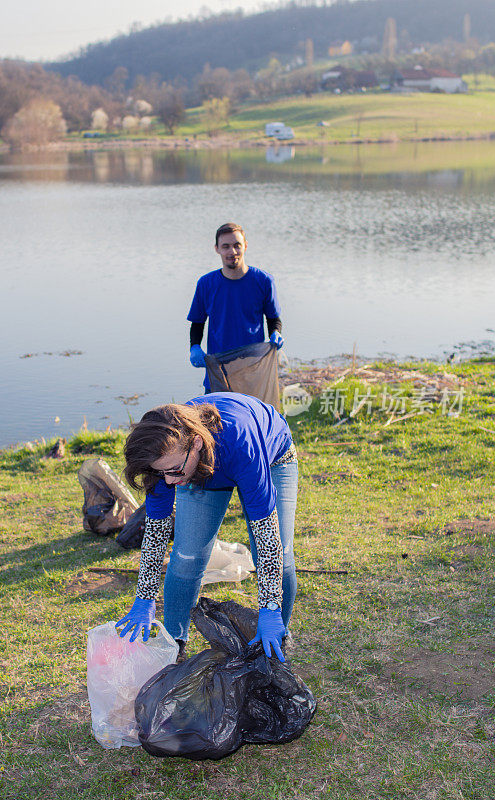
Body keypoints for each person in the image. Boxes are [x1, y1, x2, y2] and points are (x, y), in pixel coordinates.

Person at [116, 392, 297, 662]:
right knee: (187, 555)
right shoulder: (166, 464)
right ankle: (174, 643)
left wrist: (269, 606)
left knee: (276, 554)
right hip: (200, 468)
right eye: (160, 472)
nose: (168, 481)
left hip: (271, 457)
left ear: (196, 443)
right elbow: (156, 533)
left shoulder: (241, 444)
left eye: (173, 471)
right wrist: (145, 596)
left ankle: (274, 638)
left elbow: (266, 534)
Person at [189, 223, 284, 391]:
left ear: (245, 246)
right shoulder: (206, 284)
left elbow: (273, 318)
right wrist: (194, 346)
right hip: (218, 372)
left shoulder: (263, 281)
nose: (232, 252)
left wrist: (275, 333)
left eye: (236, 245)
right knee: (214, 416)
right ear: (217, 249)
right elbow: (197, 323)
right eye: (225, 246)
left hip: (252, 370)